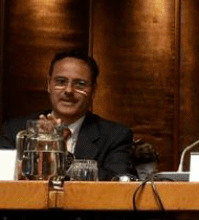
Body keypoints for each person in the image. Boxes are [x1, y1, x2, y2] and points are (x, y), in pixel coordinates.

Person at [1, 50, 132, 180]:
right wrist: (38, 152)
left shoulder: (115, 136)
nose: (69, 90)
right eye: (61, 81)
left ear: (93, 90)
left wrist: (61, 155)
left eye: (80, 84)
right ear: (49, 85)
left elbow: (121, 182)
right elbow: (3, 177)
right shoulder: (14, 130)